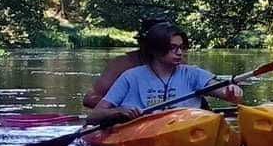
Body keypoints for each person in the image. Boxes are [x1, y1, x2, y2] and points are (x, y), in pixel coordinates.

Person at [88, 23, 241, 122]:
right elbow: (94, 116)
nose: (179, 52)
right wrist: (119, 111)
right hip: (142, 133)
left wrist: (231, 91)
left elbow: (220, 90)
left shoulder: (193, 74)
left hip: (185, 129)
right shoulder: (130, 77)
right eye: (172, 47)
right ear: (154, 49)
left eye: (181, 47)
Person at [83, 17, 164, 108]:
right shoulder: (122, 64)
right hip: (127, 118)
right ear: (141, 42)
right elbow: (89, 99)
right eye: (153, 43)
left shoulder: (178, 65)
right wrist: (120, 110)